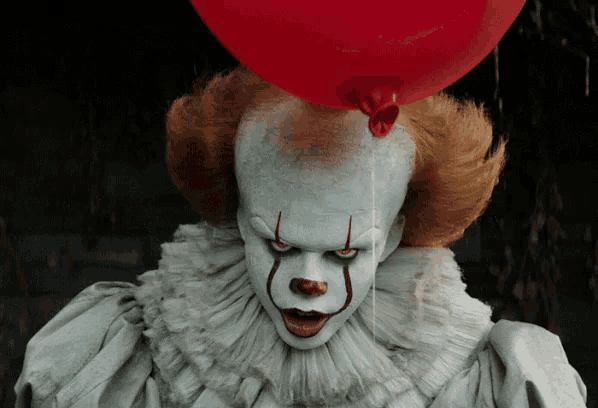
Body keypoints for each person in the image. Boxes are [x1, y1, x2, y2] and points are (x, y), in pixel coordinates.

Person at [14, 67, 587, 407]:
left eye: (346, 252)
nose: (309, 281)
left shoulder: (481, 380)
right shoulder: (130, 353)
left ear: (394, 236)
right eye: (280, 245)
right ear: (239, 217)